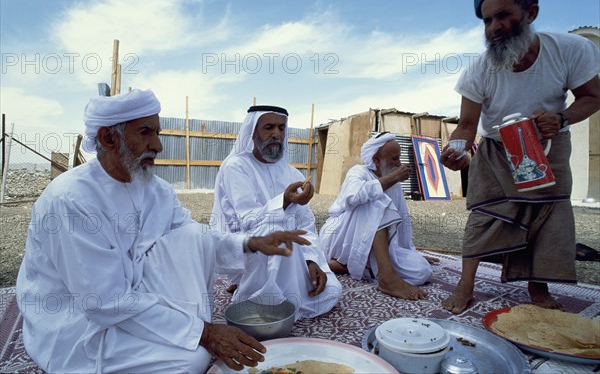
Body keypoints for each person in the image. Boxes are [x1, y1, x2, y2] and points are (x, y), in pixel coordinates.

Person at [16, 89, 312, 373]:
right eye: (145, 132)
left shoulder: (155, 190)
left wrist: (251, 243)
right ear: (108, 138)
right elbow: (103, 301)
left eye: (157, 133)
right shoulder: (71, 200)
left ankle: (180, 328)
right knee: (192, 360)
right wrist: (204, 333)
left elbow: (202, 241)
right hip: (81, 322)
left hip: (131, 297)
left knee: (192, 236)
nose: (158, 145)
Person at [440, 0, 600, 314]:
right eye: (486, 21)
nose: (494, 27)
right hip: (496, 150)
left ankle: (537, 290)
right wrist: (456, 151)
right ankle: (465, 285)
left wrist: (563, 118)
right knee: (483, 216)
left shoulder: (570, 49)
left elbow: (592, 96)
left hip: (549, 144)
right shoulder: (478, 70)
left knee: (546, 218)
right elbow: (467, 125)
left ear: (531, 12)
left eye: (502, 16)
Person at [211, 105, 342, 320]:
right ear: (252, 132)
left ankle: (278, 292)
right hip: (246, 247)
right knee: (278, 231)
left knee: (332, 291)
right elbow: (248, 222)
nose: (276, 134)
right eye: (268, 127)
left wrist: (312, 261)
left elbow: (306, 224)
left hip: (289, 251)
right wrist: (284, 201)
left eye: (281, 128)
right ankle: (251, 291)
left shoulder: (291, 172)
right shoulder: (236, 167)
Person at [319, 133, 438, 300]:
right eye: (395, 158)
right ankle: (386, 278)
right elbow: (353, 197)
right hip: (342, 237)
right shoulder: (358, 172)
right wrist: (393, 178)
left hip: (375, 245)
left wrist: (409, 251)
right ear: (376, 160)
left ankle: (347, 266)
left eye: (399, 158)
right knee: (376, 201)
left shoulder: (393, 183)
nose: (399, 163)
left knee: (421, 271)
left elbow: (402, 220)